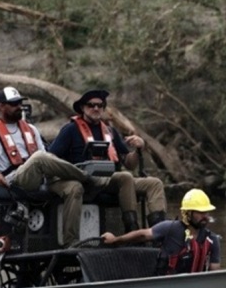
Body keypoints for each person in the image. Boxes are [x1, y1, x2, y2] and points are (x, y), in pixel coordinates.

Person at [0, 86, 106, 247]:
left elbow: (47, 158)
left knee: (74, 187)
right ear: (1, 106)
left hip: (39, 177)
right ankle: (88, 177)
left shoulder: (31, 129)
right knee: (39, 158)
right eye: (13, 104)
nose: (18, 107)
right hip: (13, 180)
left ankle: (71, 241)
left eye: (20, 103)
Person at [48, 89, 167, 232]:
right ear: (82, 108)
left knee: (154, 183)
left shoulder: (110, 132)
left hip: (113, 180)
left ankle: (160, 232)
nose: (96, 108)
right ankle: (132, 230)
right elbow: (51, 156)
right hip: (87, 180)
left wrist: (138, 149)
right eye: (91, 105)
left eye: (100, 105)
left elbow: (129, 164)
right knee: (125, 177)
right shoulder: (70, 130)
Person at [101, 188, 221, 274]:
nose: (205, 216)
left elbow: (215, 272)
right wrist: (115, 240)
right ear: (188, 213)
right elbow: (143, 235)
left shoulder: (212, 240)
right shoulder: (170, 228)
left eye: (206, 212)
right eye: (200, 212)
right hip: (168, 287)